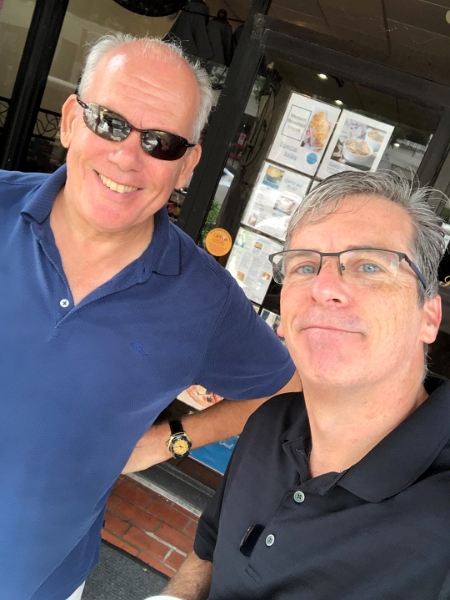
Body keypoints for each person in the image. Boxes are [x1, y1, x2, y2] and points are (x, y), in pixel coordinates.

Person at [0, 33, 300, 600]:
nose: (127, 157)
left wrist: (174, 439)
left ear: (187, 166)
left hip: (39, 583)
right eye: (109, 122)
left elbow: (286, 390)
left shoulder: (204, 300)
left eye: (160, 142)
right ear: (71, 120)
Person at [156, 171, 450, 600]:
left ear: (429, 316)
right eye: (305, 266)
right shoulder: (269, 423)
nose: (323, 287)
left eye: (369, 265)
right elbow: (212, 548)